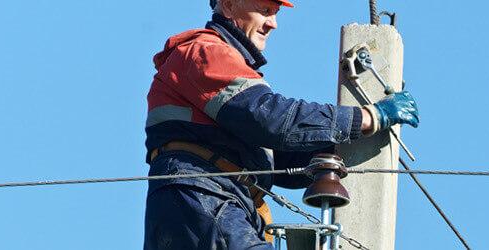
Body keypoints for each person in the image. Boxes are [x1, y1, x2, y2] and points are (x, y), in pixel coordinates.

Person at [142, 0, 419, 249]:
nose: (272, 23)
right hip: (200, 195)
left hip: (210, 200)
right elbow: (270, 119)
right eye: (264, 10)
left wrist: (333, 147)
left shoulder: (226, 69)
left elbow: (275, 158)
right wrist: (365, 118)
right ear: (228, 5)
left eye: (274, 13)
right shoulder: (205, 52)